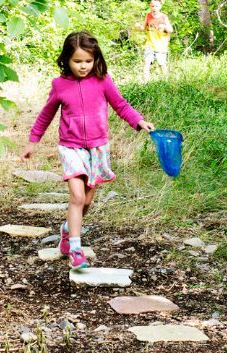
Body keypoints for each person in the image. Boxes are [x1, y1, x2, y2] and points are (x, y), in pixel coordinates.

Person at [22, 31, 156, 270]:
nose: (83, 66)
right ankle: (76, 248)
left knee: (87, 201)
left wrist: (138, 121)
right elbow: (46, 114)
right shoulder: (60, 85)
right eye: (77, 61)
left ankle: (66, 231)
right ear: (66, 60)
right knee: (77, 197)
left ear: (95, 59)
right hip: (71, 148)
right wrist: (33, 141)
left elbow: (121, 105)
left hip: (97, 148)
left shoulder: (103, 81)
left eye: (87, 61)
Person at [142, 0, 173, 79]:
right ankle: (145, 82)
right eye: (152, 6)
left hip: (160, 45)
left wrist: (164, 27)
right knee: (147, 62)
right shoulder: (148, 15)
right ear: (150, 6)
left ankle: (166, 81)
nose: (154, 8)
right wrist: (138, 26)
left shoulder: (163, 17)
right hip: (150, 44)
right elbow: (143, 27)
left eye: (156, 6)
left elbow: (170, 30)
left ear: (160, 7)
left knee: (162, 64)